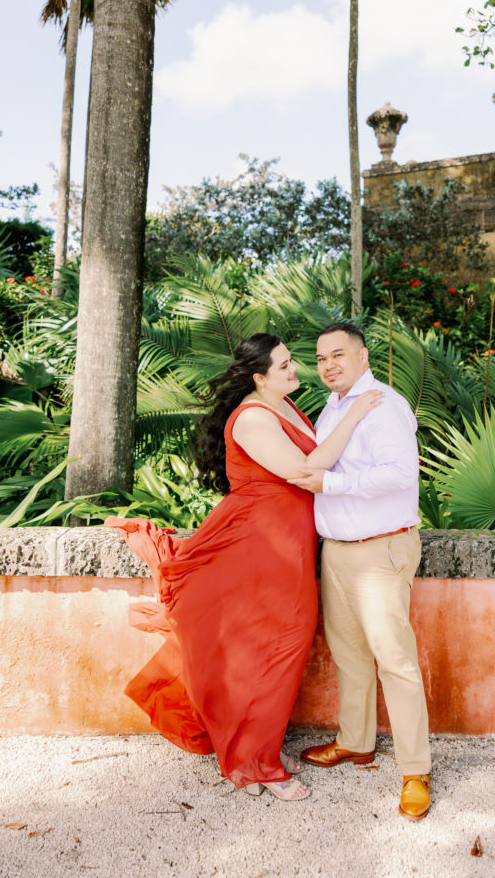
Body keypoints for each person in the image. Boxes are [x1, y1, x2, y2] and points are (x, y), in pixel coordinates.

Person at [107, 332, 382, 802]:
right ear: (260, 377)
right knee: (270, 647)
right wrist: (356, 412)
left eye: (293, 361)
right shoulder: (253, 418)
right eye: (285, 366)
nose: (297, 371)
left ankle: (257, 751)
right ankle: (256, 764)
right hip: (258, 547)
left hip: (285, 544)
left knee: (281, 646)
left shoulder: (284, 407)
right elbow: (304, 470)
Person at [289, 322, 432, 821]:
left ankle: (415, 771)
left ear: (363, 356)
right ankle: (356, 743)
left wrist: (332, 483)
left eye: (339, 355)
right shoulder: (333, 407)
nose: (328, 364)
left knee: (394, 659)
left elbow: (401, 474)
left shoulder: (383, 404)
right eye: (322, 358)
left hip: (381, 550)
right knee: (349, 654)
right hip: (339, 551)